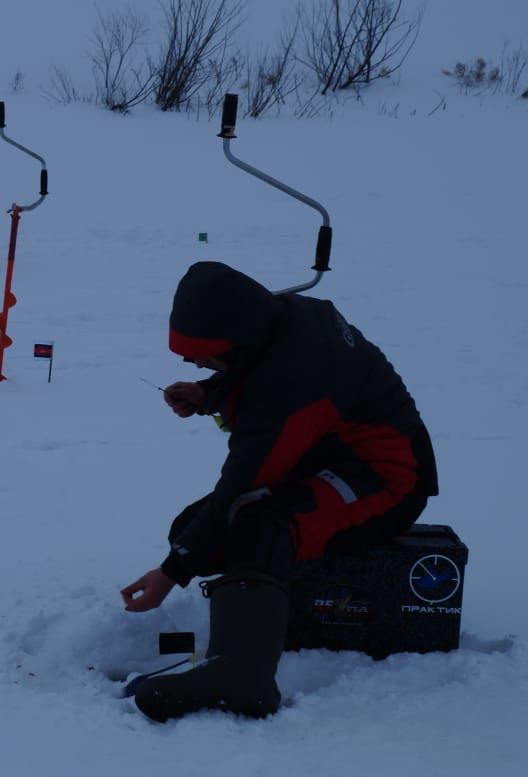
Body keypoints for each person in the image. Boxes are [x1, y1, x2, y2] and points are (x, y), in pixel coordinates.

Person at [121, 261, 438, 722]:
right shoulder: (286, 317)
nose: (196, 364)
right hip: (328, 456)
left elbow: (242, 482)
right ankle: (262, 603)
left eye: (205, 358)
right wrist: (210, 393)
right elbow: (261, 375)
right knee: (196, 530)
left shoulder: (293, 385)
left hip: (386, 480)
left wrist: (170, 572)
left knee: (250, 519)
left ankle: (243, 673)